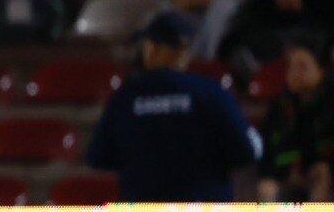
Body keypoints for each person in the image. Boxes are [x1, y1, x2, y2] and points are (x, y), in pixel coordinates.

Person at [86, 11, 260, 201]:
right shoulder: (211, 93)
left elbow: (98, 157)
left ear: (152, 48)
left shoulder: (125, 97)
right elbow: (247, 151)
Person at [257, 36, 334, 202]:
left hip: (323, 178)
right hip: (289, 177)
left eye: (302, 67)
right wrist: (288, 173)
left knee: (322, 174)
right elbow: (267, 158)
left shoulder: (329, 104)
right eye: (290, 67)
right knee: (266, 188)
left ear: (321, 69)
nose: (294, 74)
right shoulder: (281, 108)